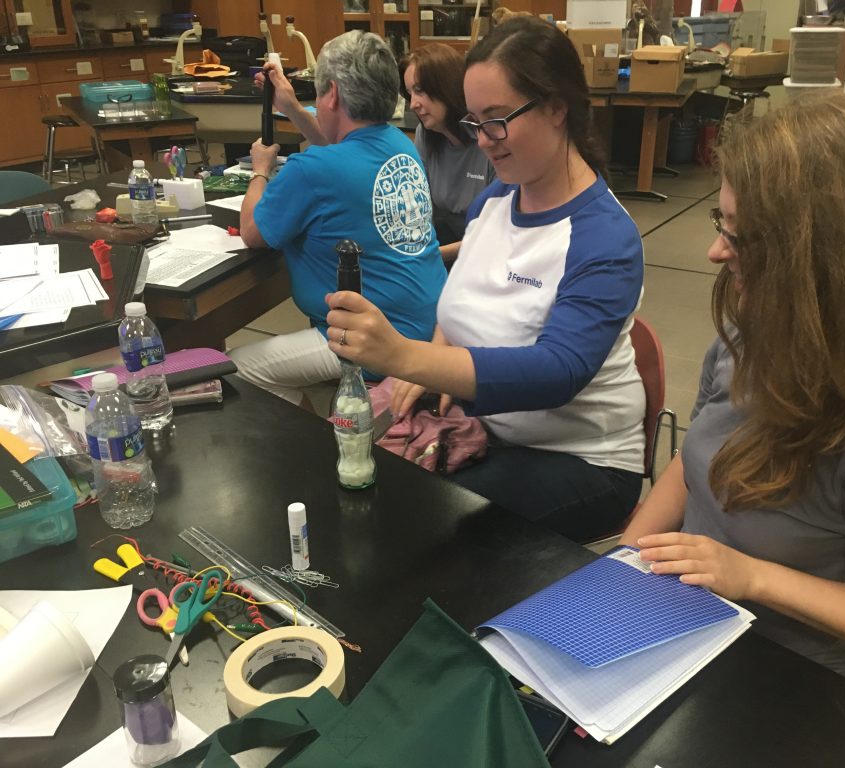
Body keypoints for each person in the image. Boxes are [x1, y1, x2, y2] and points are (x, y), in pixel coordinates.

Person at [621, 92, 845, 677]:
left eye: (740, 236)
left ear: (823, 260)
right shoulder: (752, 334)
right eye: (721, 223)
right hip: (679, 622)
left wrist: (752, 576)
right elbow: (694, 460)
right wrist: (626, 557)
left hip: (782, 671)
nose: (714, 251)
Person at [323, 17, 646, 542]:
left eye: (497, 119)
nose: (483, 140)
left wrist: (408, 357)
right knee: (363, 479)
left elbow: (557, 373)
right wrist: (432, 365)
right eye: (474, 122)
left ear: (557, 108)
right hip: (492, 431)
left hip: (581, 460)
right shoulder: (495, 200)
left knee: (431, 528)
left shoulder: (604, 237)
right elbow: (461, 304)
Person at [234, 31, 447, 406]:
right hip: (427, 319)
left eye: (318, 95)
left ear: (331, 94)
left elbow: (252, 232)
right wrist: (292, 107)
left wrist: (260, 170)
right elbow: (340, 145)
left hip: (377, 335)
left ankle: (306, 444)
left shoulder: (311, 169)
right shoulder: (400, 143)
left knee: (239, 369)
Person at [399, 44, 495, 265]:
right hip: (448, 253)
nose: (413, 104)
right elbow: (419, 208)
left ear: (446, 86)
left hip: (489, 258)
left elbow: (495, 233)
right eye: (410, 93)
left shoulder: (489, 139)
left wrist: (428, 257)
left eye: (420, 90)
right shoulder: (427, 134)